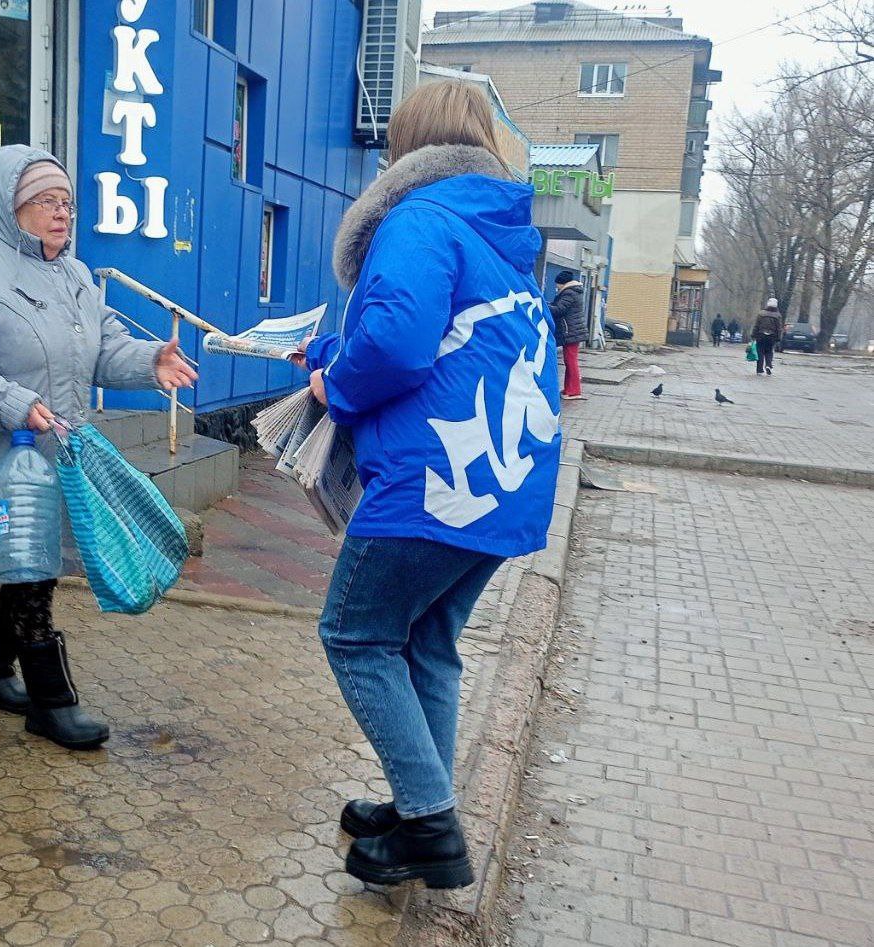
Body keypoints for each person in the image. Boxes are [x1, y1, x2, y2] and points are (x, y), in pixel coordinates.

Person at [299, 80, 561, 890]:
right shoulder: (501, 240)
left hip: (432, 484)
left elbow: (399, 343)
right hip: (505, 488)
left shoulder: (419, 217)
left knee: (354, 634)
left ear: (403, 147)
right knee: (428, 646)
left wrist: (332, 383)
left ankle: (433, 828)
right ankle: (423, 802)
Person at [0, 145, 197, 750]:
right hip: (2, 462)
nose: (61, 213)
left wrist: (152, 361)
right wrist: (13, 403)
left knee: (28, 567)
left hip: (59, 458)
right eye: (44, 201)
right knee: (33, 576)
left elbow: (100, 349)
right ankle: (52, 702)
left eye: (66, 201)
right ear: (7, 206)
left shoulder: (74, 275)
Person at [550, 270, 587, 398]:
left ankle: (574, 391)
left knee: (571, 361)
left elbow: (559, 310)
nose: (556, 287)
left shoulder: (569, 293)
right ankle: (569, 389)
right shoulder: (573, 292)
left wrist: (543, 305)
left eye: (557, 284)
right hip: (572, 331)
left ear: (562, 283)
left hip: (570, 331)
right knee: (569, 361)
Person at [752, 298, 784, 375]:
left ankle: (759, 370)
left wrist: (753, 335)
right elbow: (779, 328)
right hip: (772, 336)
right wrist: (779, 337)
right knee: (769, 351)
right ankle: (768, 365)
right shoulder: (778, 315)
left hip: (761, 335)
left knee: (760, 352)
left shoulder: (761, 314)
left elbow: (756, 325)